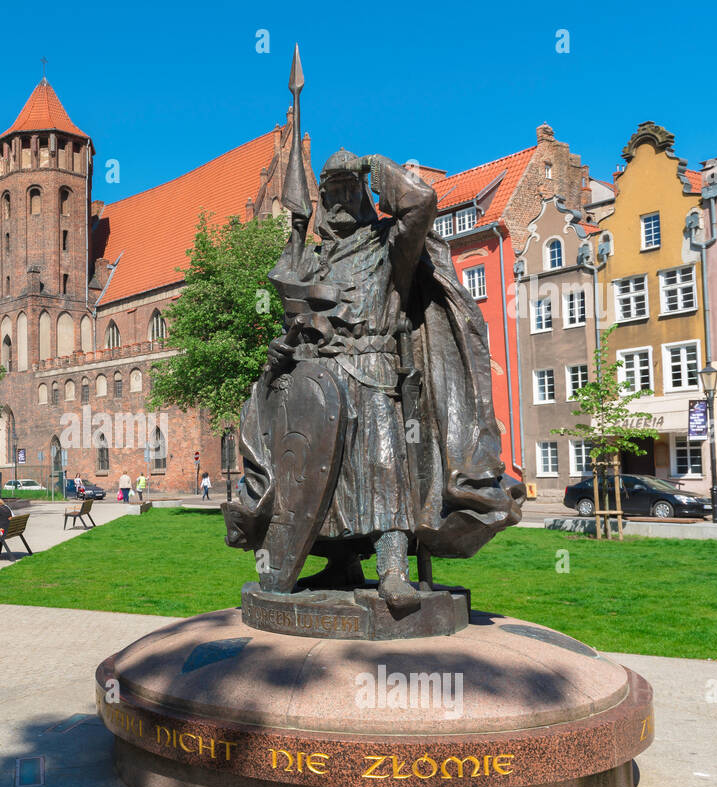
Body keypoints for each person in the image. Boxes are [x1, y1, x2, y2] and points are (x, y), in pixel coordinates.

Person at [222, 148, 522, 610]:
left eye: (347, 189)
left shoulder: (388, 246)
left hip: (373, 372)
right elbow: (294, 324)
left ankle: (393, 570)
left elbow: (420, 201)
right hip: (315, 379)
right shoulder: (312, 262)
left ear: (363, 193)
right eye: (329, 192)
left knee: (383, 470)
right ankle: (342, 562)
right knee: (320, 481)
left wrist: (371, 165)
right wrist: (282, 351)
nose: (338, 201)